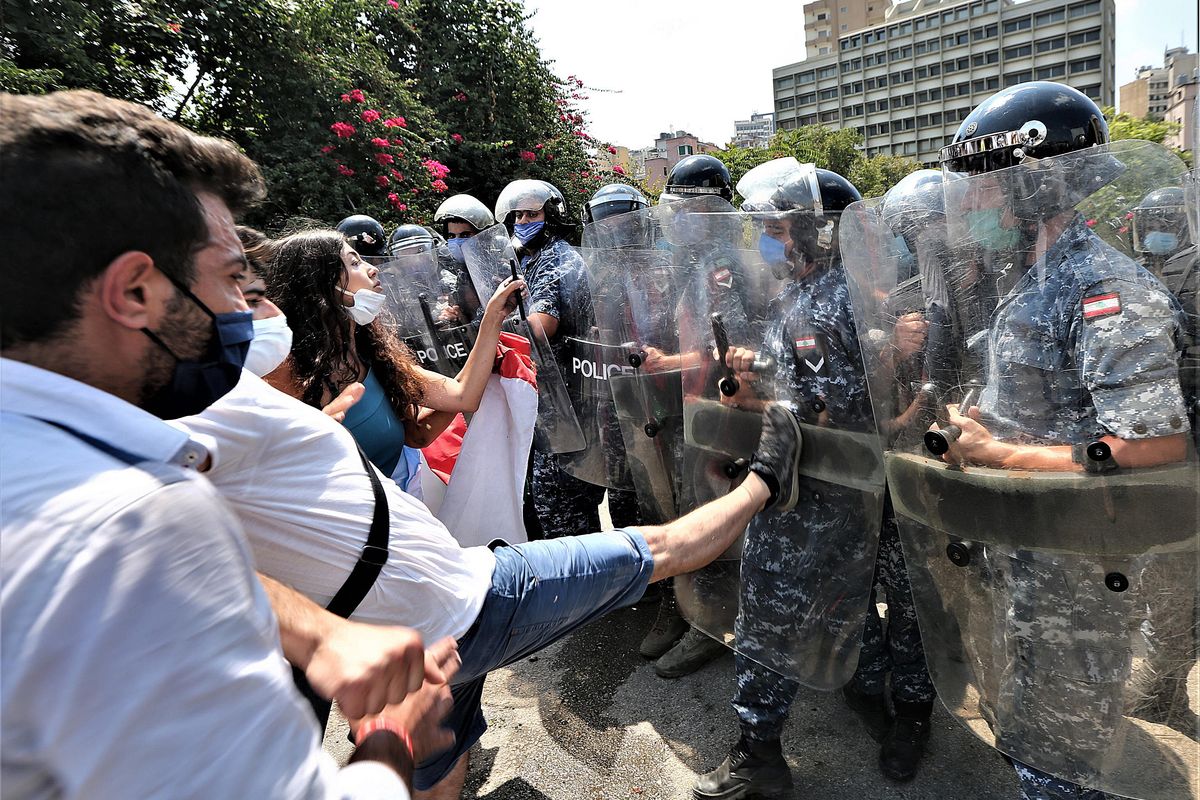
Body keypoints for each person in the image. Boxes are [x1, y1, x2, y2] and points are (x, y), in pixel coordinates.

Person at [0, 88, 438, 798]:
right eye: (235, 280)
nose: (246, 312)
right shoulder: (129, 525)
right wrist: (393, 739)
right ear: (135, 292)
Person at [932, 82, 1194, 800]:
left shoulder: (1103, 288)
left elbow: (1152, 449)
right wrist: (975, 423)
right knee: (1033, 738)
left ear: (1034, 187)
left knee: (1065, 763)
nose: (973, 205)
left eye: (985, 187)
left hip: (1081, 575)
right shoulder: (1032, 280)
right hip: (1027, 552)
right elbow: (1043, 404)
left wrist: (1000, 454)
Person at [695, 160, 886, 799]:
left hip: (819, 496)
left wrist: (753, 402)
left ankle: (759, 757)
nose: (768, 240)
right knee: (833, 606)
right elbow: (793, 389)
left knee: (771, 614)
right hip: (809, 486)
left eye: (778, 228)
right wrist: (750, 381)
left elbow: (831, 412)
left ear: (815, 230)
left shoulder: (834, 300)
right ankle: (871, 694)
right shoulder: (798, 295)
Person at [261, 229, 524, 491]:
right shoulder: (285, 375)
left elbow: (455, 400)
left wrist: (493, 316)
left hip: (404, 509)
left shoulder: (372, 352)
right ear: (318, 285)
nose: (371, 269)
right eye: (354, 263)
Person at [493, 178, 606, 539]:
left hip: (568, 406)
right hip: (549, 402)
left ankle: (588, 591)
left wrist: (494, 320)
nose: (523, 220)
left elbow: (541, 325)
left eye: (532, 213)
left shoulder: (558, 260)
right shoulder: (530, 259)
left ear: (551, 215)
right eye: (518, 214)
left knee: (563, 511)